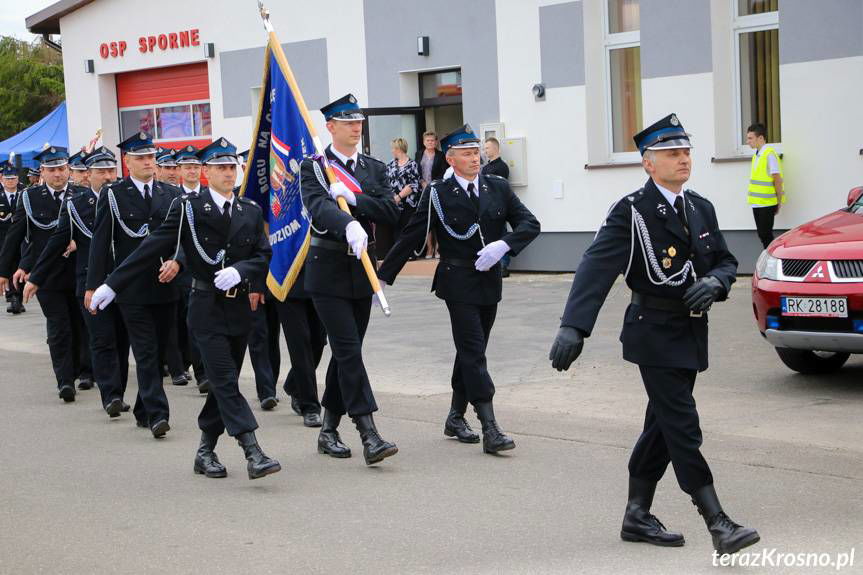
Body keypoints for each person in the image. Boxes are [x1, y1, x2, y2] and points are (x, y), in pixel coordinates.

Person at [548, 114, 760, 555]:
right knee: (682, 424)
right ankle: (717, 521)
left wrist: (718, 282)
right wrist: (573, 327)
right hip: (653, 333)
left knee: (661, 425)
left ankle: (636, 515)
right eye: (672, 154)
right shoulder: (632, 211)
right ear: (648, 163)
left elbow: (723, 259)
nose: (683, 160)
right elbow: (596, 266)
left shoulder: (700, 206)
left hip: (690, 333)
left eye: (686, 152)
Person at [89, 137, 281, 480]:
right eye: (220, 167)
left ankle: (205, 450)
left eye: (231, 167)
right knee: (223, 379)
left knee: (226, 384)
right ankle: (252, 450)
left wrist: (242, 271)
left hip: (238, 310)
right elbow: (152, 246)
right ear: (205, 172)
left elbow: (263, 255)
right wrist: (111, 284)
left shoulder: (249, 211)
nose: (227, 173)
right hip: (205, 308)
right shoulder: (188, 208)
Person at [379, 124, 540, 454]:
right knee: (474, 351)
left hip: (489, 281)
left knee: (471, 351)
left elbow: (530, 224)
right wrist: (383, 275)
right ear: (450, 159)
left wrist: (504, 246)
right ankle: (490, 425)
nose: (474, 158)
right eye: (466, 153)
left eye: (476, 151)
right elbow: (412, 234)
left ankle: (455, 416)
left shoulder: (497, 187)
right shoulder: (437, 193)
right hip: (456, 281)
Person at [300, 93, 400, 465]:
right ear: (331, 127)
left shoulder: (372, 168)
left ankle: (328, 429)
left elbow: (391, 210)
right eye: (347, 123)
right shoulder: (314, 166)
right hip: (327, 269)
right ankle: (368, 432)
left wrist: (356, 199)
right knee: (348, 350)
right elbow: (319, 207)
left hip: (362, 268)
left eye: (359, 122)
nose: (356, 128)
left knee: (347, 353)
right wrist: (348, 223)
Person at [85, 132, 181, 438]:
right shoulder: (114, 194)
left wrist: (177, 261)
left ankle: (142, 408)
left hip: (166, 285)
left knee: (159, 349)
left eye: (151, 157)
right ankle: (157, 413)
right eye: (140, 158)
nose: (147, 163)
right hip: (131, 288)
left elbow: (182, 237)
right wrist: (94, 285)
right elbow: (100, 243)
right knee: (146, 351)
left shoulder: (170, 194)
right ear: (127, 161)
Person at [24, 147, 132, 417]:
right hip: (90, 283)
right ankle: (111, 396)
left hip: (123, 282)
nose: (107, 177)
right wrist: (35, 277)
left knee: (121, 340)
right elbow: (56, 242)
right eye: (100, 172)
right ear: (88, 176)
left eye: (111, 171)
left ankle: (118, 388)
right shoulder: (77, 205)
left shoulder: (126, 199)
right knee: (101, 338)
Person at [0, 145, 92, 401]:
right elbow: (15, 235)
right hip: (47, 275)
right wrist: (4, 271)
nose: (58, 174)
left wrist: (77, 242)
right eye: (52, 170)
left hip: (79, 272)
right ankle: (65, 381)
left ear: (68, 170)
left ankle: (85, 371)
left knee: (82, 324)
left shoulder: (82, 195)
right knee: (59, 327)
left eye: (62, 169)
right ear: (42, 172)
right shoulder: (30, 197)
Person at [174, 144, 208, 391]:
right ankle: (199, 372)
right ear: (179, 171)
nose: (192, 171)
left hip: (210, 270)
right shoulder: (172, 199)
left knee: (205, 323)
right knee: (189, 322)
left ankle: (206, 371)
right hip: (183, 271)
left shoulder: (211, 195)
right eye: (187, 167)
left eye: (196, 167)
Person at [745, 123, 784, 249]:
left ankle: (774, 259)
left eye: (750, 138)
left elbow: (777, 179)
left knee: (765, 234)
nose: (747, 141)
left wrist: (779, 201)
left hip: (767, 203)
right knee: (762, 235)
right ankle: (770, 260)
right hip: (757, 203)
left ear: (760, 138)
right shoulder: (757, 155)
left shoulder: (769, 154)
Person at [481, 138, 512, 276]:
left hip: (498, 206)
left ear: (495, 148)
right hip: (487, 206)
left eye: (487, 148)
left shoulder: (501, 167)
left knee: (501, 235)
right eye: (484, 148)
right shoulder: (486, 168)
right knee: (491, 235)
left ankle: (503, 265)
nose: (485, 151)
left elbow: (500, 188)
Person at [415, 131, 447, 258]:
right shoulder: (419, 154)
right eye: (427, 140)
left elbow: (443, 173)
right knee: (426, 219)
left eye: (432, 140)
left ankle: (438, 248)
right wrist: (422, 182)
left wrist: (433, 183)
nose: (430, 142)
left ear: (436, 142)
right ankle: (429, 248)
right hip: (423, 190)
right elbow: (416, 170)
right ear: (424, 142)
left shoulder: (441, 155)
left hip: (437, 190)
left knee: (438, 218)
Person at [0, 162, 25, 314]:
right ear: (2, 179)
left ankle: (18, 297)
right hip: (3, 240)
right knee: (8, 267)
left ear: (17, 179)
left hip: (22, 239)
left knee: (20, 267)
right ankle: (13, 296)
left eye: (13, 178)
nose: (10, 181)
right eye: (7, 179)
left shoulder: (25, 193)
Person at [386, 137, 421, 242]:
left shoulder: (412, 164)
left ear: (399, 149)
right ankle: (397, 254)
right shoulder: (390, 164)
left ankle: (409, 253)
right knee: (396, 230)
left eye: (393, 148)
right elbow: (386, 182)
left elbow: (413, 185)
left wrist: (399, 197)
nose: (392, 150)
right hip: (394, 203)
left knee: (406, 229)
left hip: (407, 203)